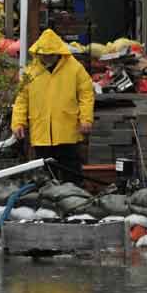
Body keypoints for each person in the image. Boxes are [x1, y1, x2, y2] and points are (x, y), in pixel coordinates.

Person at [11, 29, 95, 180]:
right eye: (44, 55)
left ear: (58, 53)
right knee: (46, 177)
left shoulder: (74, 69)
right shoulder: (30, 72)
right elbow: (21, 99)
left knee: (72, 174)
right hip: (41, 134)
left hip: (67, 131)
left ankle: (74, 199)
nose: (46, 58)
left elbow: (86, 94)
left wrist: (86, 119)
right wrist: (18, 123)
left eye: (50, 54)